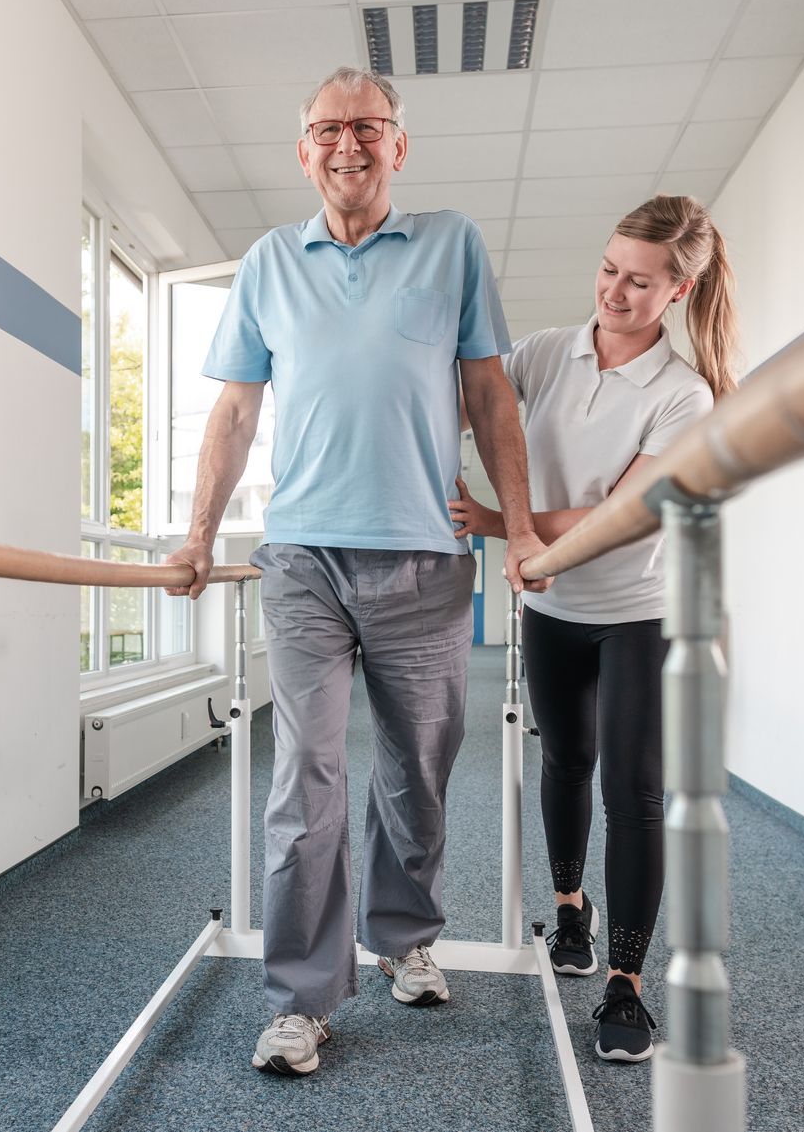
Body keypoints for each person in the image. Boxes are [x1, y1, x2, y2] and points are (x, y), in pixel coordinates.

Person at [164, 65, 548, 1077]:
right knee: (307, 779)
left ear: (399, 145)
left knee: (416, 771)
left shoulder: (451, 245)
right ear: (303, 150)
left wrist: (524, 533)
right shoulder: (266, 264)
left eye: (368, 127)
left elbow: (490, 399)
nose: (348, 143)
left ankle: (405, 933)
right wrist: (201, 536)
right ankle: (301, 997)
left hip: (424, 559)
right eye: (328, 128)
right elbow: (236, 413)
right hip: (302, 561)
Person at [449, 195, 740, 1064]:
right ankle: (571, 906)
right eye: (609, 268)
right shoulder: (544, 353)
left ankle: (626, 982)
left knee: (635, 792)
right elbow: (468, 408)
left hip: (636, 614)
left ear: (678, 290)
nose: (614, 290)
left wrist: (501, 523)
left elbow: (625, 513)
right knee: (566, 761)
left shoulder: (684, 395)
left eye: (639, 280)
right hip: (552, 610)